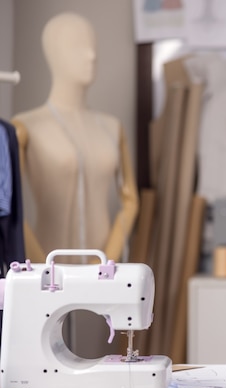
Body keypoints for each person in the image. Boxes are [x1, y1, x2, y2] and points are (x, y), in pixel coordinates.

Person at [12, 12, 138, 264]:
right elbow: (10, 204)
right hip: (46, 267)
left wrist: (105, 260)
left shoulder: (112, 128)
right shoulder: (25, 127)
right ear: (53, 53)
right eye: (77, 46)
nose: (91, 55)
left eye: (93, 46)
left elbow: (130, 200)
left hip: (103, 269)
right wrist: (41, 265)